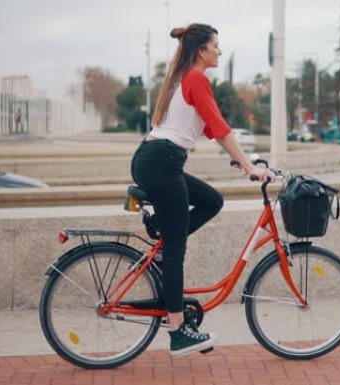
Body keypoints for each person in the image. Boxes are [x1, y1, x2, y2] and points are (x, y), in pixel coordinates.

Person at [130, 23, 275, 357]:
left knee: (212, 200)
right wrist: (252, 167)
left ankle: (163, 235)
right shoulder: (195, 78)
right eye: (216, 46)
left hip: (153, 158)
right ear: (201, 51)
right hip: (162, 161)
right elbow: (222, 129)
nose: (219, 51)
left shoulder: (181, 78)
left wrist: (241, 162)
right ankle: (178, 332)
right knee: (175, 253)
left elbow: (211, 127)